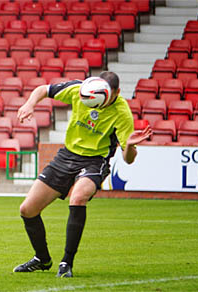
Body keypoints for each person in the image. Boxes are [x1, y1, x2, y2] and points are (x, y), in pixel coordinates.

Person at [12, 72, 152, 277]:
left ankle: (66, 262)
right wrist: (29, 104)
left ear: (117, 93)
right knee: (27, 209)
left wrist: (129, 147)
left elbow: (129, 159)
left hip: (95, 161)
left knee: (77, 198)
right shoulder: (81, 90)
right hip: (66, 155)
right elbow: (43, 89)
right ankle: (42, 259)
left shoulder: (122, 113)